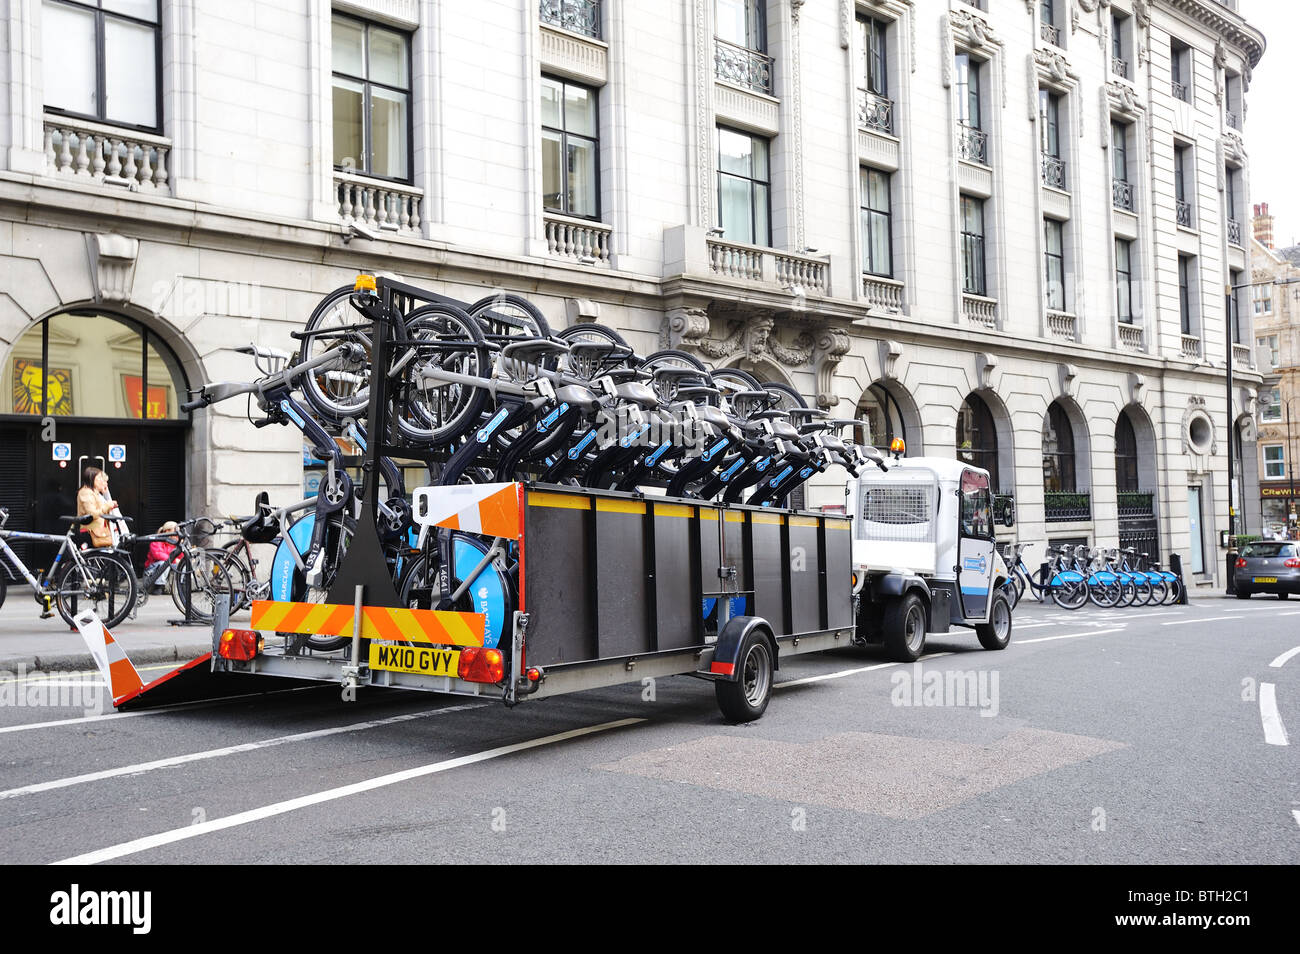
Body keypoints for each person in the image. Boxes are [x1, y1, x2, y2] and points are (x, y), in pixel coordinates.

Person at [75, 466, 118, 548]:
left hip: (99, 532)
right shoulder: (86, 492)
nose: (102, 481)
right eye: (99, 478)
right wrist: (108, 505)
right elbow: (92, 514)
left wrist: (105, 494)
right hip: (91, 533)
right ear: (91, 478)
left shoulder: (95, 493)